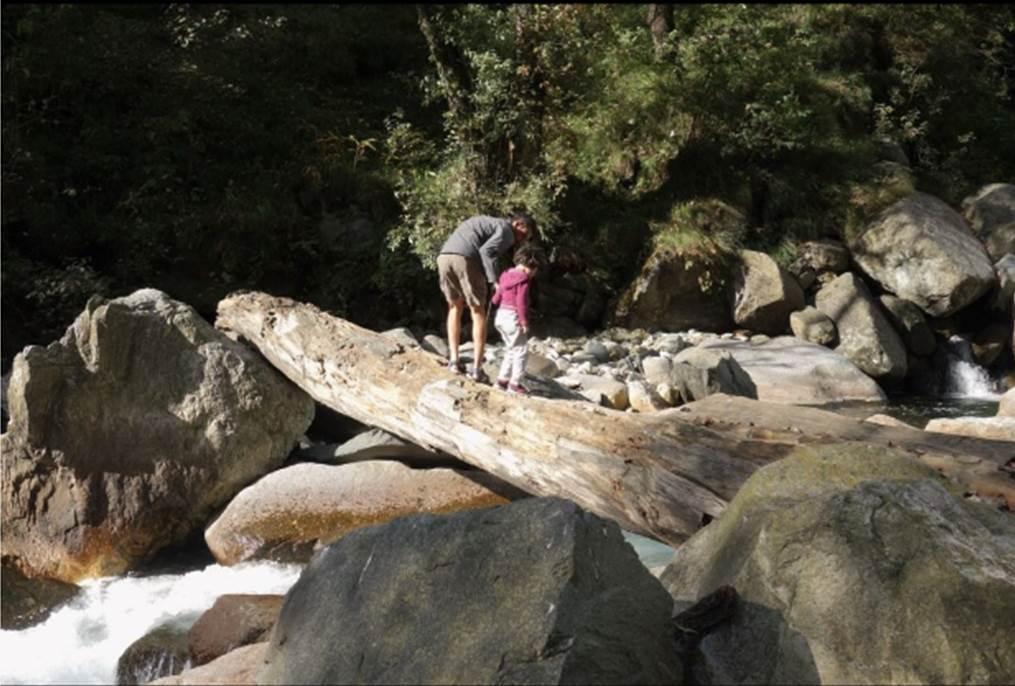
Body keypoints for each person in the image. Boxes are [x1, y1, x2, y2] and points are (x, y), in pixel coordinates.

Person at [437, 211, 536, 383]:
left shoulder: (490, 223)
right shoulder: (506, 230)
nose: (522, 239)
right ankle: (477, 369)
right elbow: (487, 251)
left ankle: (454, 362)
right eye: (524, 235)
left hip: (444, 257)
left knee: (454, 307)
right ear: (518, 224)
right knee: (478, 311)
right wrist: (494, 280)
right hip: (465, 258)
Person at [491, 245, 541, 395]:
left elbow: (496, 299)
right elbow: (521, 302)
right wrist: (524, 322)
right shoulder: (523, 279)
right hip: (512, 317)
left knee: (511, 349)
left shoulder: (505, 275)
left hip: (500, 316)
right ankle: (514, 384)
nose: (534, 275)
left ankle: (502, 381)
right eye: (535, 271)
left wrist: (494, 298)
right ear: (529, 268)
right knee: (521, 351)